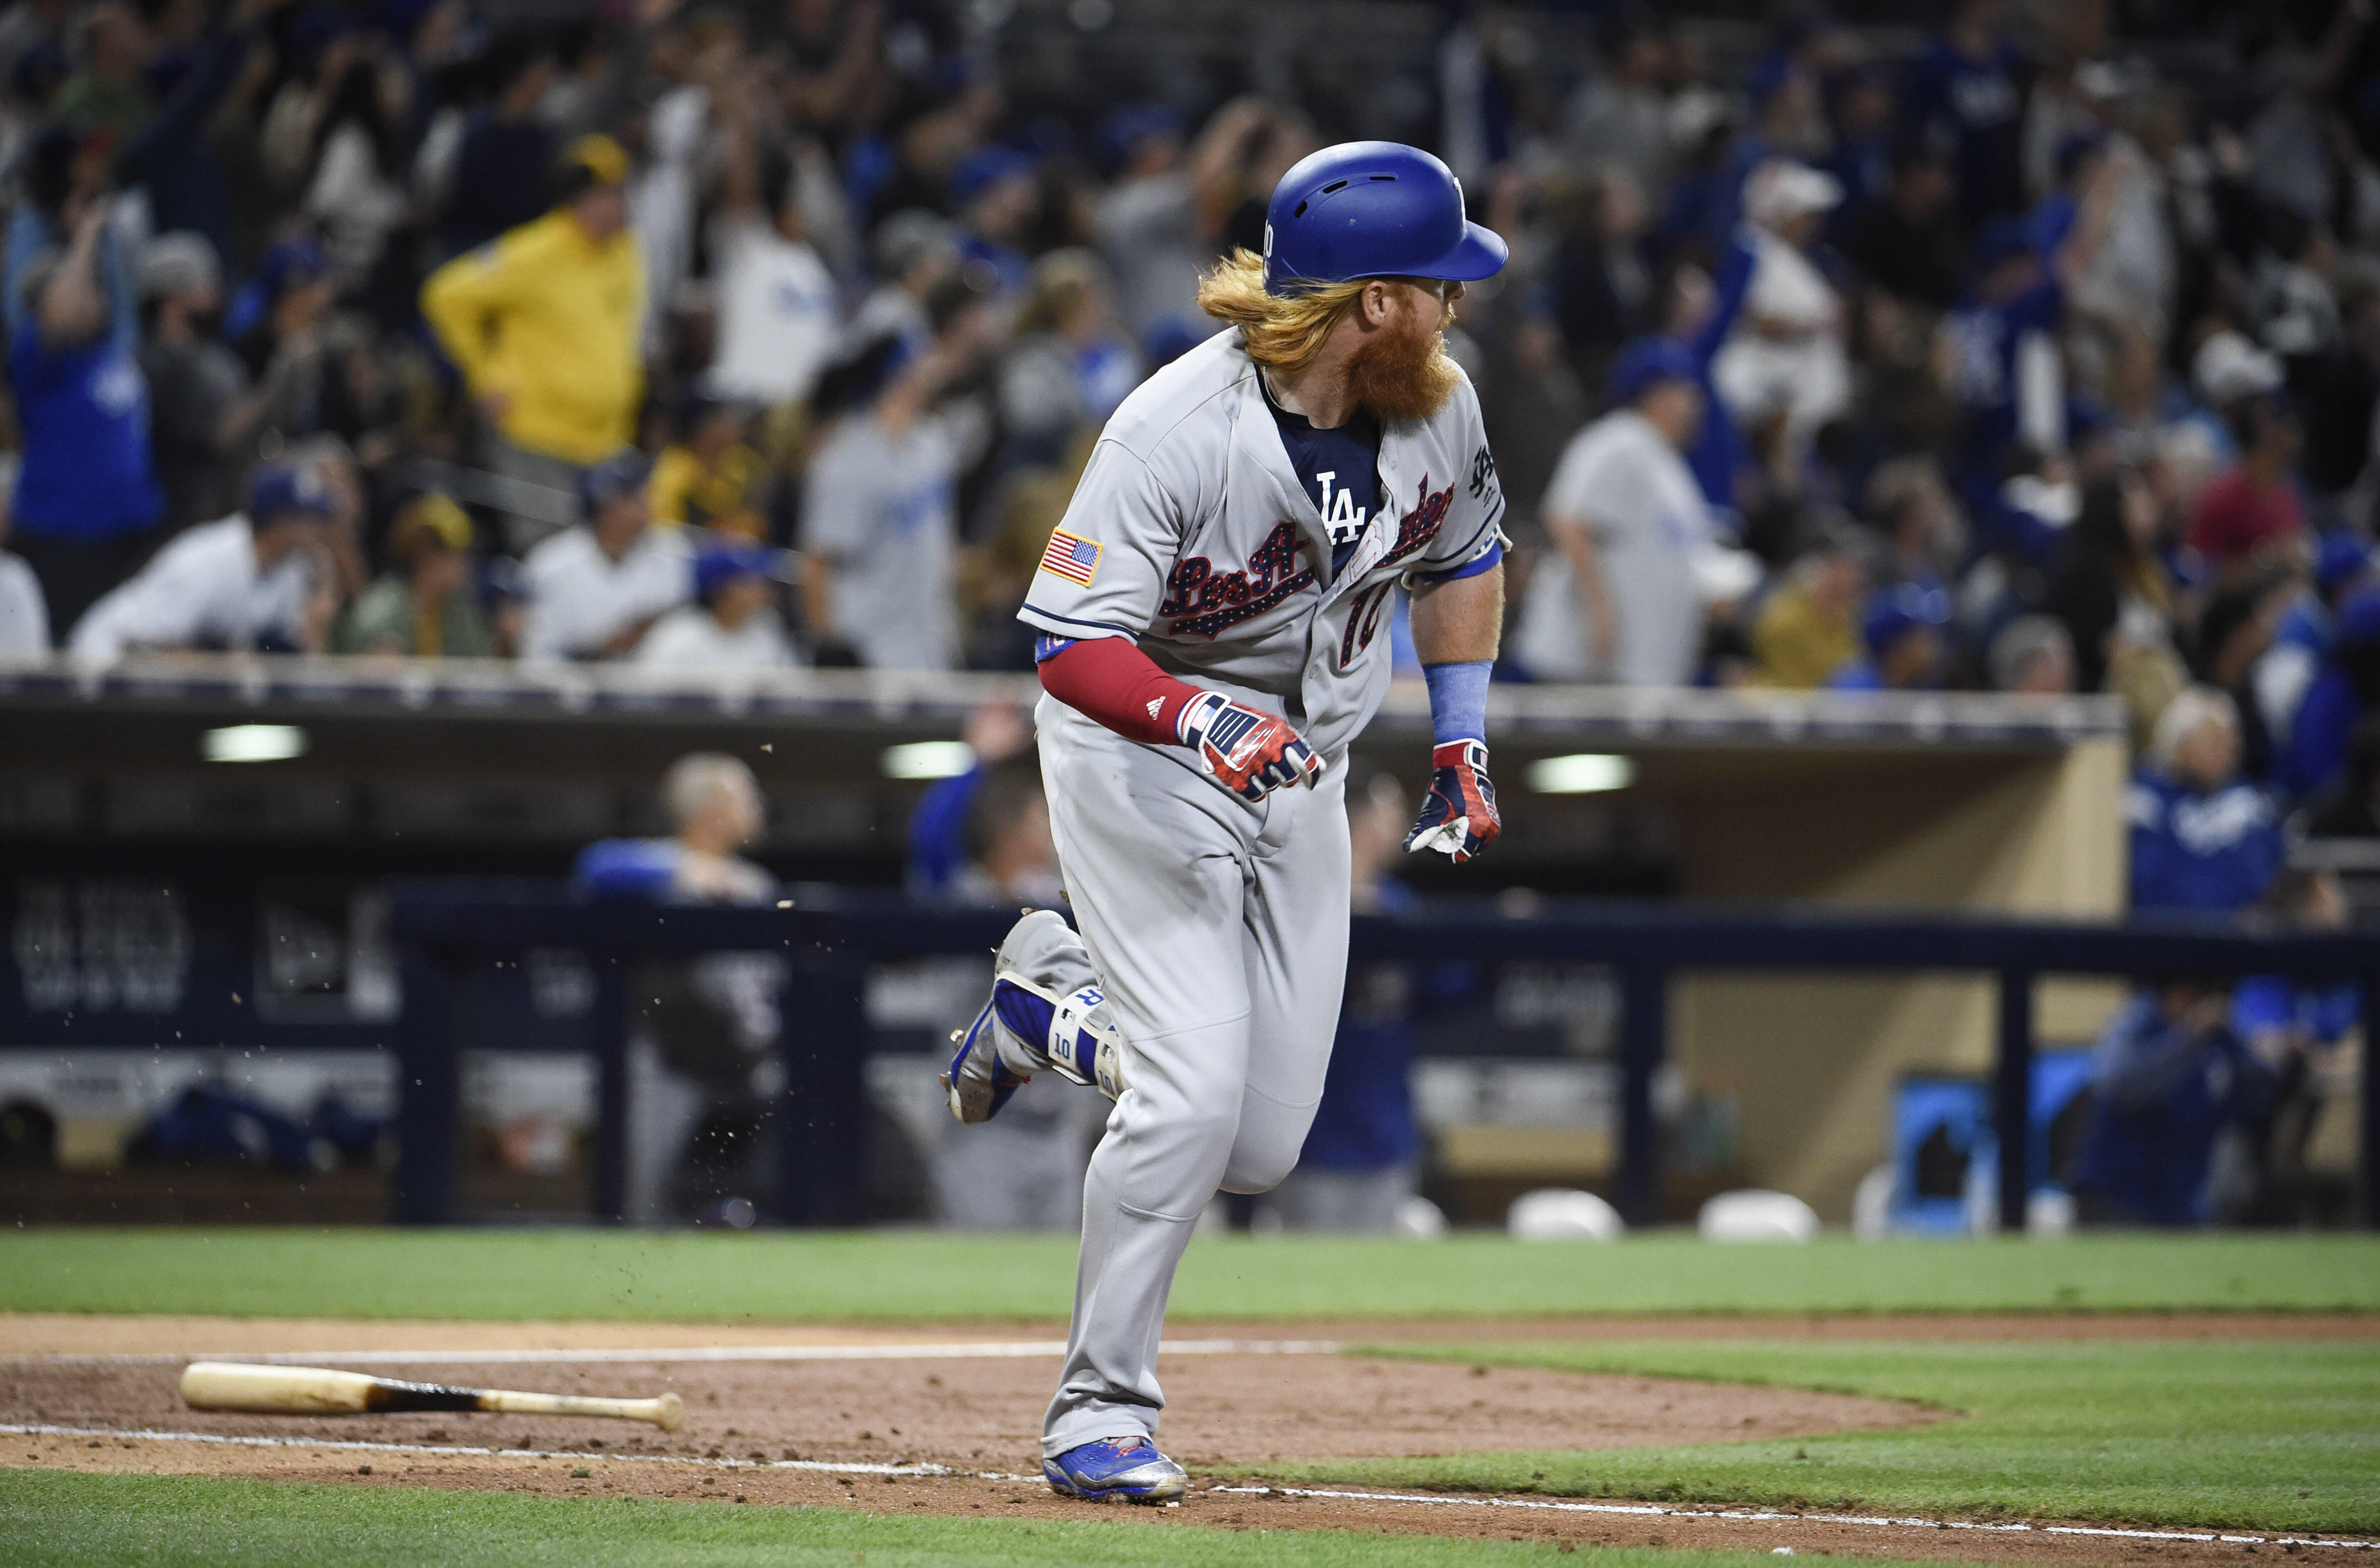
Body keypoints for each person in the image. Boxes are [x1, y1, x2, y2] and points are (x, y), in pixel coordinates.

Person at [939, 141, 1510, 1503]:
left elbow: (1468, 556)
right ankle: (1098, 1413)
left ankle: (1051, 1009)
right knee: (1189, 1102)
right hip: (1142, 745)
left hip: (1301, 758)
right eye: (1438, 284)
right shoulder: (1172, 427)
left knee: (1253, 1148)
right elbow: (1070, 646)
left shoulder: (1439, 404)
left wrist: (1462, 738)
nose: (1456, 305)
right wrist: (1197, 722)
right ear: (1374, 301)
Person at [574, 753, 785, 1227]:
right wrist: (679, 869)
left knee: (747, 1207)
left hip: (748, 1074)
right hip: (673, 1071)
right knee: (648, 1204)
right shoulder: (660, 867)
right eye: (744, 795)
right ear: (709, 809)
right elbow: (592, 867)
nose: (758, 804)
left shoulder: (755, 883)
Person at [421, 133, 645, 552]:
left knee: (607, 561)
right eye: (611, 193)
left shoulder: (624, 253)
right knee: (550, 556)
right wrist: (485, 375)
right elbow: (445, 295)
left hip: (605, 439)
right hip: (536, 434)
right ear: (581, 199)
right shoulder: (533, 252)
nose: (622, 202)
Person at [1257, 773, 1427, 1233]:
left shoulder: (1399, 904)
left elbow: (1444, 991)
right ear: (1360, 819)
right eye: (1391, 814)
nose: (1400, 827)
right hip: (1311, 1133)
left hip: (1386, 1128)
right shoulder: (1300, 896)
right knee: (1309, 1280)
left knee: (1379, 1287)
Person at [1511, 337, 1721, 685]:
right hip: (1590, 662)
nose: (1694, 406)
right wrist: (1600, 613)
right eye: (1686, 393)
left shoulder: (1662, 456)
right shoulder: (1618, 442)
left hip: (1637, 663)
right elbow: (1567, 520)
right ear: (1656, 394)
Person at [799, 300, 991, 671]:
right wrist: (828, 644)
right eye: (920, 355)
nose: (932, 360)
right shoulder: (846, 460)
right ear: (897, 373)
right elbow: (816, 563)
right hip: (870, 648)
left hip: (930, 641)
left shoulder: (932, 441)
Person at [8, 196, 161, 640]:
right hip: (65, 538)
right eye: (83, 287)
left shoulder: (107, 354)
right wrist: (86, 237)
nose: (93, 295)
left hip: (125, 536)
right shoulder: (37, 359)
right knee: (67, 654)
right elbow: (59, 314)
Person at [68, 464, 340, 660]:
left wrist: (318, 614)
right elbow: (146, 645)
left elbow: (295, 656)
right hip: (106, 658)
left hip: (174, 678)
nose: (319, 529)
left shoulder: (290, 571)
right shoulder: (208, 560)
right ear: (279, 523)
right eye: (308, 520)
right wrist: (222, 666)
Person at [2072, 977, 2278, 1226]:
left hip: (2180, 1204)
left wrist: (2279, 1057)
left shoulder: (2221, 1039)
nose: (2199, 1005)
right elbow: (2121, 1087)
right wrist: (2189, 1037)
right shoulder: (2138, 1024)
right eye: (2191, 995)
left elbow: (2259, 1097)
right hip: (2116, 1198)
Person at [518, 450, 690, 662]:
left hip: (654, 686)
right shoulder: (552, 563)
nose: (646, 505)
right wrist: (602, 648)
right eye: (633, 498)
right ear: (605, 509)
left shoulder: (674, 552)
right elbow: (538, 654)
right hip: (574, 684)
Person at [2126, 686, 2284, 916]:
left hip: (2248, 939)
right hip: (2166, 936)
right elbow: (2150, 882)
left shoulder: (2250, 801)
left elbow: (2275, 869)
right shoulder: (2143, 802)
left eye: (2232, 742)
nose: (2230, 752)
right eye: (2216, 742)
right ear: (2179, 745)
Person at [332, 492, 494, 658]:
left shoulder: (460, 613)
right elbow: (349, 660)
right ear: (423, 556)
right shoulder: (380, 609)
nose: (464, 564)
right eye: (453, 554)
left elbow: (481, 665)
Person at [634, 544, 798, 669]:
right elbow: (649, 702)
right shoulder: (678, 637)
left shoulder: (769, 635)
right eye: (748, 583)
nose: (762, 590)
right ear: (719, 591)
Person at [1829, 582, 1951, 690]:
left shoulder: (1922, 682)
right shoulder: (1855, 694)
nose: (1931, 641)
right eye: (1922, 635)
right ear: (1898, 646)